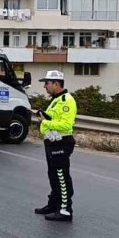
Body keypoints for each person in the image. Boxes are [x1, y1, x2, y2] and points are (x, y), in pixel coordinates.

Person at [34, 70, 78, 222]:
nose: (44, 86)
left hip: (61, 142)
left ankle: (65, 210)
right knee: (53, 175)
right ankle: (54, 204)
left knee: (61, 177)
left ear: (56, 83)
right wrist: (45, 116)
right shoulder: (56, 99)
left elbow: (66, 125)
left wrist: (45, 122)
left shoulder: (67, 100)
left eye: (47, 83)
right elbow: (55, 118)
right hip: (52, 141)